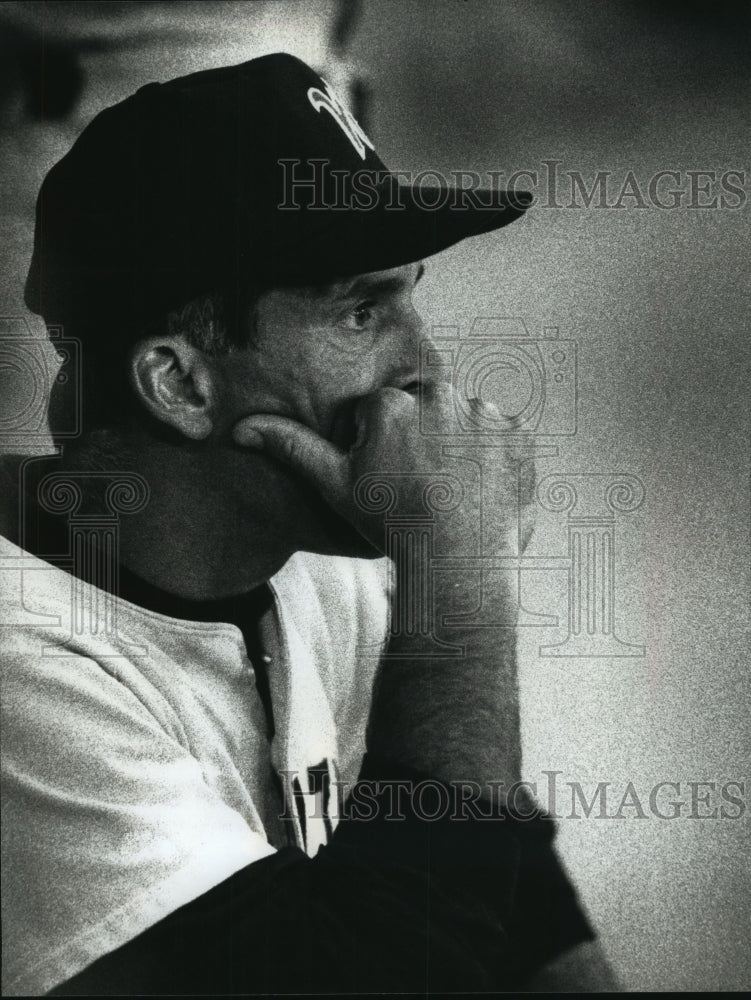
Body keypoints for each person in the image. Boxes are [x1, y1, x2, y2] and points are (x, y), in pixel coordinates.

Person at [0, 53, 618, 994]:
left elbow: (512, 917)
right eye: (361, 311)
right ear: (180, 383)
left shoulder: (327, 569)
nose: (428, 368)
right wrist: (459, 580)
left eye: (412, 297)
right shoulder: (23, 664)